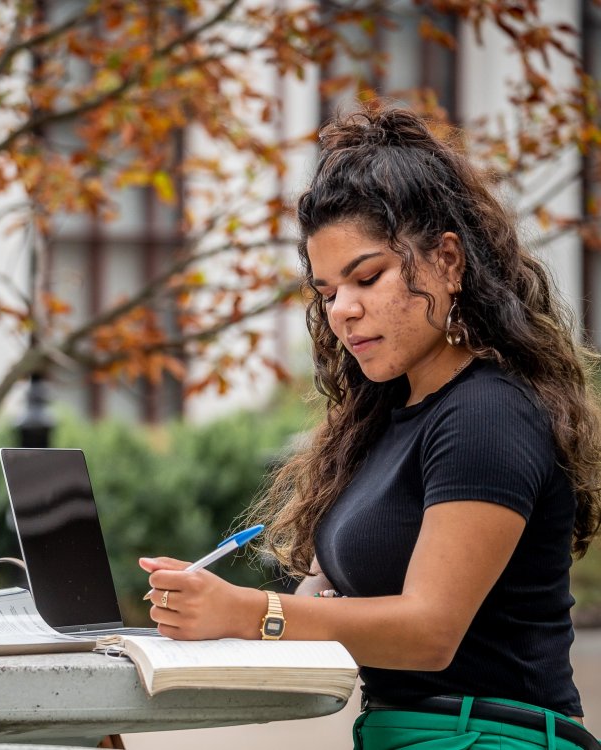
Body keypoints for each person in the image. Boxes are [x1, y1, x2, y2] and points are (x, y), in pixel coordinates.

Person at [139, 105, 601, 750]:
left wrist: (250, 613)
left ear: (447, 261)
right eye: (327, 293)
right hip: (404, 734)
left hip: (487, 738)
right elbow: (329, 605)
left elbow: (429, 632)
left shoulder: (486, 415)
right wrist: (206, 616)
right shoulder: (384, 420)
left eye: (367, 277)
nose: (344, 311)